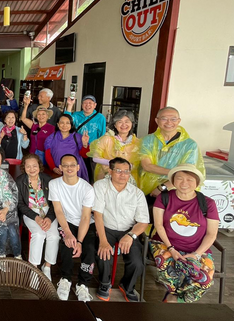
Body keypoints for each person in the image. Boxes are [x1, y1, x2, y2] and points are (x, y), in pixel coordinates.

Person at [151, 164, 219, 303]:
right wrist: (171, 249)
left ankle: (176, 300)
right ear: (173, 181)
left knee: (205, 280)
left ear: (197, 183)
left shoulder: (208, 203)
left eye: (189, 179)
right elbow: (159, 225)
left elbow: (211, 234)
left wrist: (196, 254)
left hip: (197, 249)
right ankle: (172, 296)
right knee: (166, 267)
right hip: (165, 244)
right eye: (180, 178)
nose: (184, 183)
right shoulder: (164, 198)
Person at [93, 157, 149, 302]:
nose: (123, 175)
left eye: (126, 171)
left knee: (137, 262)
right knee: (103, 254)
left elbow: (143, 222)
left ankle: (127, 286)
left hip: (128, 230)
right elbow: (97, 215)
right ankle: (105, 283)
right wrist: (103, 241)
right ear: (110, 171)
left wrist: (131, 236)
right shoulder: (100, 186)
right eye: (118, 171)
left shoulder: (137, 193)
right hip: (106, 227)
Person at [50, 154, 96, 302]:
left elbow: (86, 217)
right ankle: (66, 279)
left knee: (89, 248)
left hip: (86, 223)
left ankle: (83, 284)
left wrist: (80, 241)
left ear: (78, 167)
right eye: (65, 165)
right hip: (66, 221)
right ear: (60, 168)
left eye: (72, 165)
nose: (69, 168)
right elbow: (58, 211)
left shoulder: (87, 188)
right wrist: (68, 233)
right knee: (67, 244)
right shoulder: (54, 184)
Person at [139, 107, 205, 198]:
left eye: (173, 119)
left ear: (179, 121)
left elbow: (188, 172)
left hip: (177, 190)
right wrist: (176, 173)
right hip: (148, 188)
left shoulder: (189, 144)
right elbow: (147, 166)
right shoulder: (148, 140)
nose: (169, 122)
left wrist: (162, 187)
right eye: (164, 119)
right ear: (157, 120)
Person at [17, 154, 58, 280]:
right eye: (28, 166)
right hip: (30, 213)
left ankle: (47, 267)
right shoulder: (20, 181)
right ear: (24, 168)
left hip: (48, 211)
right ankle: (34, 269)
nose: (32, 169)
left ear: (39, 166)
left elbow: (55, 202)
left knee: (54, 236)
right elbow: (20, 204)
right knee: (39, 234)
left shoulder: (48, 179)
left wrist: (49, 218)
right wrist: (36, 217)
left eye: (34, 166)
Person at [89, 110, 141, 184]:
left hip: (129, 179)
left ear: (132, 124)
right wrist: (115, 165)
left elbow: (139, 163)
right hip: (107, 177)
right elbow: (95, 158)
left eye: (127, 121)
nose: (124, 125)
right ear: (115, 125)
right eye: (120, 122)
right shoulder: (107, 139)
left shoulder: (137, 142)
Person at [45, 114, 90, 181]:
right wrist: (53, 168)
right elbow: (47, 154)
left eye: (67, 123)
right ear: (58, 124)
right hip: (59, 172)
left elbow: (84, 155)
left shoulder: (78, 137)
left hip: (76, 172)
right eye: (62, 123)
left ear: (71, 125)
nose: (64, 125)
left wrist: (85, 144)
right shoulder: (51, 137)